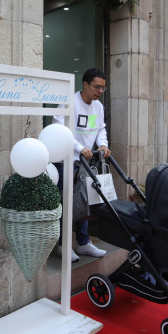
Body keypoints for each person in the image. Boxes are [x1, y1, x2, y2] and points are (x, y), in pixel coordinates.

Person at [52, 68, 111, 262]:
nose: (100, 91)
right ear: (85, 84)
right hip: (66, 161)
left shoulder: (98, 107)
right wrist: (79, 147)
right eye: (96, 86)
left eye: (103, 87)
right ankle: (63, 245)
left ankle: (83, 242)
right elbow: (59, 130)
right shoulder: (69, 102)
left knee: (86, 202)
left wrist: (103, 144)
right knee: (66, 204)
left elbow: (100, 128)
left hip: (86, 162)